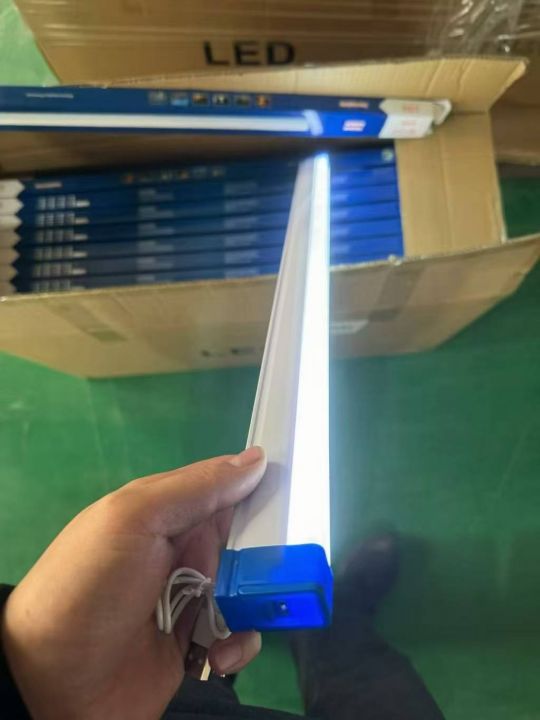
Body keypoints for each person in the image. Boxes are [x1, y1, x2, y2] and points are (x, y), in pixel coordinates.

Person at [0, 447, 445, 719]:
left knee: (207, 663)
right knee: (363, 677)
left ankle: (326, 612)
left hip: (153, 698)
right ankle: (335, 614)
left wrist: (25, 673)